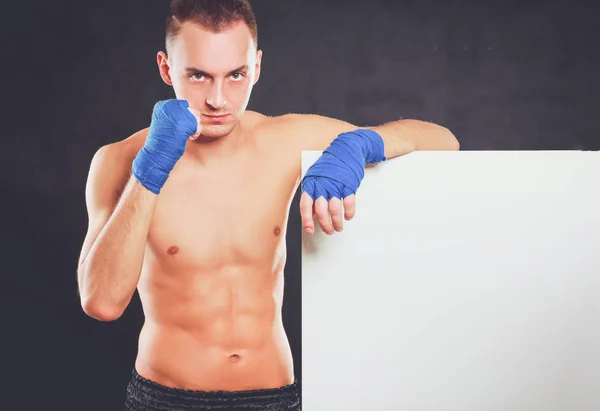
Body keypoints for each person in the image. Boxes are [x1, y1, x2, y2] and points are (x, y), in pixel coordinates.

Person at [77, 0, 460, 410]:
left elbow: (444, 141)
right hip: (166, 397)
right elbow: (102, 302)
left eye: (236, 75)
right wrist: (149, 172)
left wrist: (361, 143)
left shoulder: (284, 141)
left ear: (256, 67)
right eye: (199, 76)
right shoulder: (119, 160)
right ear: (167, 68)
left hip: (271, 396)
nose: (218, 99)